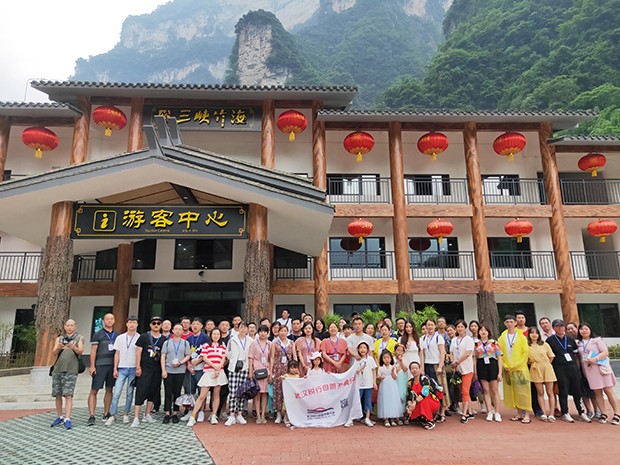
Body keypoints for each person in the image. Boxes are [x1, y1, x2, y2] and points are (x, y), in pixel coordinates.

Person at [546, 319, 590, 423]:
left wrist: (578, 369)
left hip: (573, 368)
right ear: (553, 328)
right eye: (557, 326)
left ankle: (581, 412)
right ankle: (565, 412)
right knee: (563, 391)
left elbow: (576, 355)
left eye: (561, 326)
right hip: (559, 369)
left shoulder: (570, 340)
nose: (560, 328)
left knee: (577, 391)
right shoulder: (550, 341)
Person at [577, 322, 620, 425]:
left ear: (590, 330)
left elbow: (605, 352)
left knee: (608, 391)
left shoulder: (596, 340)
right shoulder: (578, 343)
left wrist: (595, 359)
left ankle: (617, 414)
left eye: (586, 329)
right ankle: (603, 414)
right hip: (589, 371)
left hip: (601, 369)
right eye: (581, 329)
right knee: (597, 393)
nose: (584, 331)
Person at [188, 328, 228, 427]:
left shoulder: (223, 345)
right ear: (211, 335)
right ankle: (193, 416)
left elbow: (223, 358)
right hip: (209, 371)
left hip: (219, 372)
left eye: (218, 334)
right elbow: (205, 358)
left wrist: (219, 368)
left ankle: (214, 415)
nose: (216, 336)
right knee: (202, 396)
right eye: (214, 334)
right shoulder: (206, 345)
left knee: (216, 394)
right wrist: (214, 366)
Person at [50, 319, 85, 430]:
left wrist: (73, 347)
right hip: (58, 369)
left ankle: (67, 418)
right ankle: (59, 416)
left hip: (71, 370)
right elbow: (53, 352)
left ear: (75, 326)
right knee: (57, 394)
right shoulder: (59, 339)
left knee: (68, 395)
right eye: (67, 325)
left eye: (71, 325)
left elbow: (81, 351)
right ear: (65, 327)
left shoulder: (79, 338)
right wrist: (59, 347)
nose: (69, 327)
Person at [132, 316, 165, 427]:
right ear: (150, 325)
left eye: (158, 323)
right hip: (144, 369)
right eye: (154, 323)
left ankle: (147, 414)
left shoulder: (164, 339)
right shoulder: (144, 337)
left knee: (153, 392)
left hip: (157, 370)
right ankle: (136, 417)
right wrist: (138, 367)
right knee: (141, 391)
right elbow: (138, 352)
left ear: (161, 325)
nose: (156, 325)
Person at [105, 316, 139, 426]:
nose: (132, 324)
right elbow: (117, 353)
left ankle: (126, 413)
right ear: (126, 324)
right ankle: (112, 415)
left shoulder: (139, 337)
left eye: (134, 322)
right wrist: (115, 368)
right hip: (122, 368)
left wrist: (138, 368)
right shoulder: (120, 337)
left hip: (133, 368)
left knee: (130, 392)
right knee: (116, 392)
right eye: (130, 322)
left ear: (137, 324)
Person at [497, 314, 532, 424]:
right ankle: (519, 413)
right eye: (507, 322)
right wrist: (504, 365)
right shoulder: (502, 337)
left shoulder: (521, 337)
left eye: (511, 322)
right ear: (504, 324)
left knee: (524, 392)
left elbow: (525, 353)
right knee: (513, 392)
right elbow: (499, 353)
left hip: (520, 368)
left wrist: (516, 365)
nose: (509, 324)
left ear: (515, 323)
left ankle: (527, 414)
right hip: (508, 369)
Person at [87, 312, 117, 426]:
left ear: (114, 321)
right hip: (100, 365)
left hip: (112, 365)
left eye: (111, 319)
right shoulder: (98, 334)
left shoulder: (117, 335)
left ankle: (106, 413)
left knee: (109, 389)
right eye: (107, 319)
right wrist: (92, 365)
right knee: (94, 390)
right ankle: (92, 415)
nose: (109, 321)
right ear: (103, 321)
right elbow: (93, 351)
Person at [161, 323, 191, 424]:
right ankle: (167, 412)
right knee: (168, 392)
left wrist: (181, 362)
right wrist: (163, 370)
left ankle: (175, 412)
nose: (178, 331)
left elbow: (188, 355)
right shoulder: (167, 343)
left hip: (180, 370)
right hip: (168, 370)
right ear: (172, 331)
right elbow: (163, 357)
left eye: (180, 329)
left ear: (182, 331)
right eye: (176, 329)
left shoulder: (185, 343)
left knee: (177, 392)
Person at [474, 324, 503, 422]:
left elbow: (499, 357)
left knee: (494, 390)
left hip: (492, 365)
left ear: (488, 332)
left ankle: (497, 412)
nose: (483, 332)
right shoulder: (476, 344)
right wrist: (475, 372)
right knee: (485, 390)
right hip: (481, 365)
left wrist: (500, 372)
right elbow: (474, 358)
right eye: (481, 330)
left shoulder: (493, 342)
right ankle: (489, 412)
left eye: (485, 330)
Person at [527, 326, 557, 422]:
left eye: (536, 333)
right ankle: (543, 413)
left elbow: (551, 356)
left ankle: (551, 414)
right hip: (535, 368)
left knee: (550, 392)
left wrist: (546, 365)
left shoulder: (545, 344)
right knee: (540, 392)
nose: (534, 335)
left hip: (546, 367)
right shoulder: (527, 346)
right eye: (532, 333)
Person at [225, 321, 252, 426]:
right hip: (233, 368)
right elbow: (228, 353)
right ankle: (232, 415)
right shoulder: (232, 339)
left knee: (242, 392)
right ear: (238, 328)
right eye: (241, 327)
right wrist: (234, 360)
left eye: (245, 327)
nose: (243, 329)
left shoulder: (250, 340)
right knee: (233, 392)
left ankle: (239, 414)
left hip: (245, 368)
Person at [184, 317, 210, 422]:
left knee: (201, 391)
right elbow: (186, 353)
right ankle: (191, 410)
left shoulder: (205, 338)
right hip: (190, 368)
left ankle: (201, 411)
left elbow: (207, 352)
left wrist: (198, 361)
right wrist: (188, 364)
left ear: (201, 326)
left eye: (197, 324)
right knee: (190, 390)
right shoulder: (188, 339)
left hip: (201, 367)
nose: (195, 326)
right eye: (193, 324)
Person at [450, 320, 475, 423]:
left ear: (465, 328)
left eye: (461, 327)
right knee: (462, 391)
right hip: (457, 370)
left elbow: (467, 353)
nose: (459, 329)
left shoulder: (469, 340)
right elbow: (451, 352)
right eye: (458, 327)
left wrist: (458, 361)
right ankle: (470, 411)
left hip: (467, 369)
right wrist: (453, 362)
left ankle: (464, 414)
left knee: (465, 391)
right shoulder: (454, 340)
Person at [269, 324, 296, 424]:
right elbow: (272, 358)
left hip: (289, 370)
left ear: (287, 332)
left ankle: (287, 414)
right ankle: (278, 414)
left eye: (285, 331)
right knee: (278, 391)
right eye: (281, 331)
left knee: (288, 392)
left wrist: (296, 369)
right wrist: (271, 371)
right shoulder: (274, 343)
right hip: (278, 369)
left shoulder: (291, 343)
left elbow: (294, 357)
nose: (283, 333)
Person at [406, 361, 442, 430]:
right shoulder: (410, 382)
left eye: (416, 368)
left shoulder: (424, 379)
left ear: (420, 369)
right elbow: (409, 396)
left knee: (423, 400)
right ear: (410, 371)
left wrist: (414, 403)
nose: (414, 370)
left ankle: (430, 420)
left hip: (431, 401)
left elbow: (425, 393)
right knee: (411, 407)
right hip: (417, 402)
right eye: (412, 369)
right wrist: (410, 405)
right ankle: (421, 417)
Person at [248, 324, 271, 424]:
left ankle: (263, 415)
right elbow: (250, 357)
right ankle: (257, 415)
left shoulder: (270, 344)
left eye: (265, 331)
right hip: (256, 370)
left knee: (264, 393)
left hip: (266, 371)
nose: (263, 333)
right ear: (258, 333)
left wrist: (271, 371)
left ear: (267, 333)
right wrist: (250, 371)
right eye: (261, 331)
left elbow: (271, 358)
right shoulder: (254, 343)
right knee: (257, 393)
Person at [352, 341, 377, 427]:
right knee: (356, 400)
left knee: (368, 401)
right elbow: (354, 371)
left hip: (368, 384)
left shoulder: (370, 359)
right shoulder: (356, 360)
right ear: (358, 350)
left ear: (367, 350)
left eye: (364, 348)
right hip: (359, 384)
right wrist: (358, 370)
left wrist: (374, 382)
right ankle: (352, 418)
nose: (362, 350)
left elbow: (374, 370)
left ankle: (367, 418)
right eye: (361, 348)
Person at [377, 350, 402, 427]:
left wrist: (393, 371)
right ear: (382, 359)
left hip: (392, 385)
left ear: (391, 359)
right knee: (385, 400)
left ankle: (392, 418)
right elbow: (378, 377)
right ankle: (386, 418)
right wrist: (380, 377)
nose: (386, 359)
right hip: (384, 385)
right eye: (384, 358)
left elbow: (395, 377)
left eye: (388, 357)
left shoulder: (393, 367)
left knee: (392, 399)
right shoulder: (381, 368)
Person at [280, 360, 301, 428]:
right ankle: (286, 419)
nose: (293, 370)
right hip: (288, 396)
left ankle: (293, 420)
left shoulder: (297, 376)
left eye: (295, 368)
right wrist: (283, 378)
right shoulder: (286, 375)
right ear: (288, 368)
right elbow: (282, 378)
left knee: (294, 408)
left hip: (294, 396)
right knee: (286, 408)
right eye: (291, 368)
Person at [394, 343, 409, 420]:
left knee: (402, 395)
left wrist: (401, 361)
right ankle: (395, 415)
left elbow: (405, 369)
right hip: (395, 380)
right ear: (395, 351)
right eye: (398, 350)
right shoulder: (392, 359)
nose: (399, 352)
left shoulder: (405, 359)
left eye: (401, 351)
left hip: (403, 380)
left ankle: (402, 414)